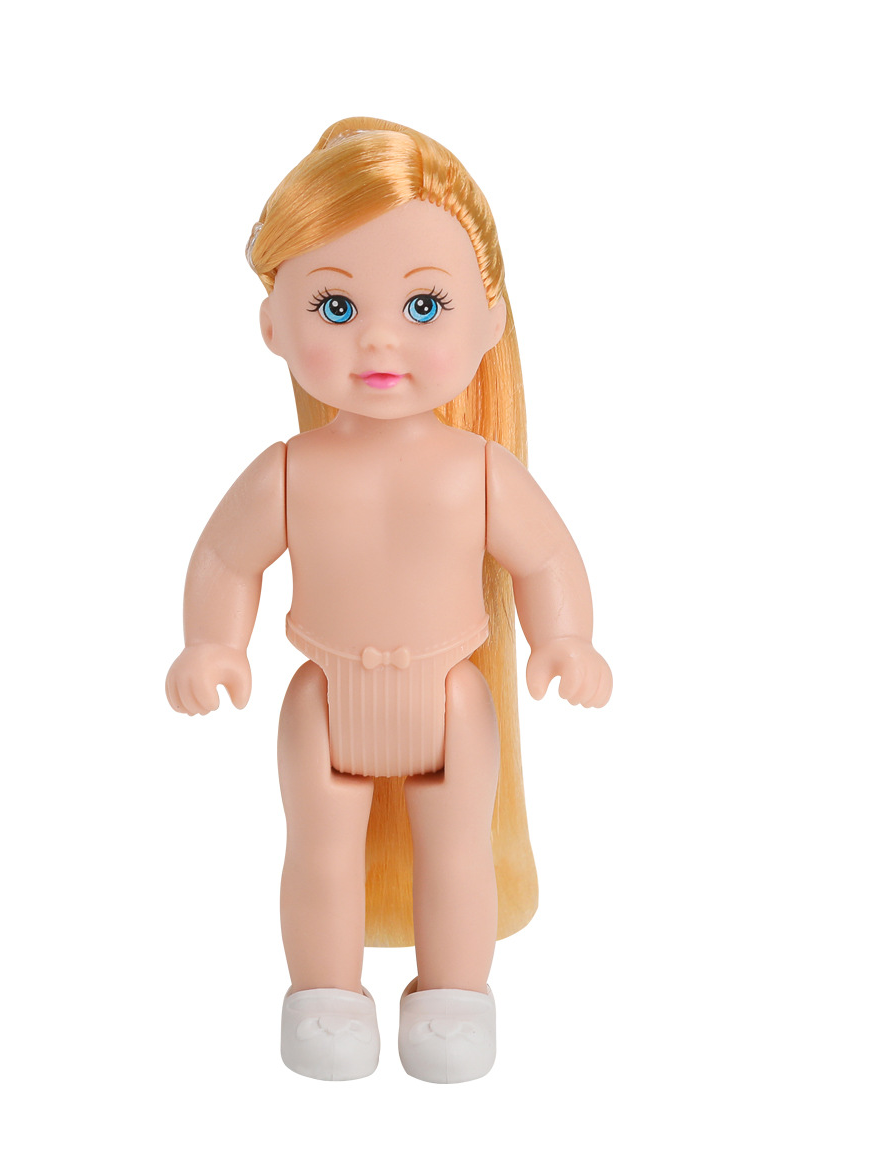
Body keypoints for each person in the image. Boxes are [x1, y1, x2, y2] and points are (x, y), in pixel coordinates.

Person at [166, 118, 611, 1083]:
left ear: (489, 321)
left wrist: (565, 638)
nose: (377, 337)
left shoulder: (478, 471)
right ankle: (324, 996)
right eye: (334, 307)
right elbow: (226, 560)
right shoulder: (288, 472)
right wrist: (213, 644)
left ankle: (455, 996)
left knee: (457, 850)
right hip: (322, 701)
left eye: (423, 305)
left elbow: (545, 558)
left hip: (451, 699)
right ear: (272, 326)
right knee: (320, 851)